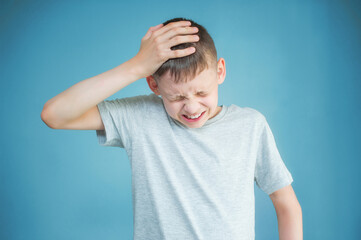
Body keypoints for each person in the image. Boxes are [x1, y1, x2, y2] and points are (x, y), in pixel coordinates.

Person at [41, 17, 303, 240]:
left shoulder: (250, 125)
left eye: (202, 92)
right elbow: (55, 115)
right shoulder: (140, 117)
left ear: (220, 71)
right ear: (154, 86)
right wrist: (135, 66)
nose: (191, 107)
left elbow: (286, 203)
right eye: (177, 98)